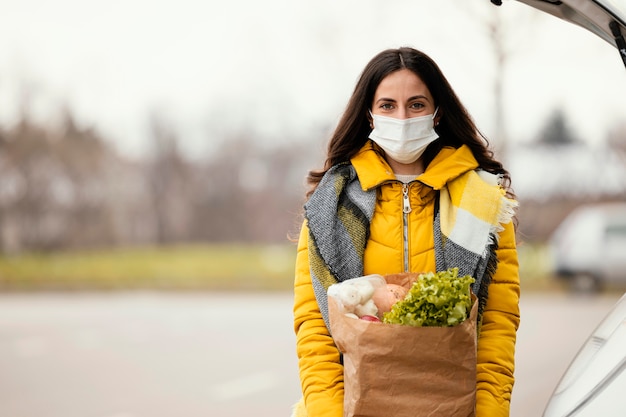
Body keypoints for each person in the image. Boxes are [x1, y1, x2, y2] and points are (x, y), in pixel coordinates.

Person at [292, 46, 520, 417]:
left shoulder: (483, 200)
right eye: (387, 106)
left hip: (450, 406)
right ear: (368, 115)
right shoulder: (330, 204)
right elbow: (315, 327)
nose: (402, 117)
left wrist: (489, 411)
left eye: (416, 104)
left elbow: (497, 323)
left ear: (437, 111)